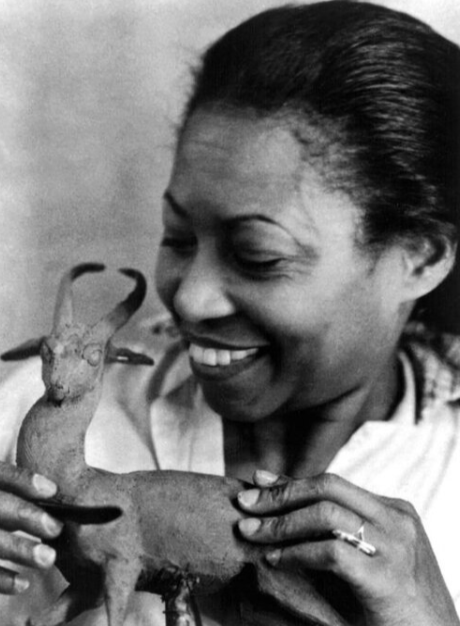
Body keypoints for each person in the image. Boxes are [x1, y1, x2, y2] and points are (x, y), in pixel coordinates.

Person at [0, 1, 459, 624]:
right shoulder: (28, 420)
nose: (190, 299)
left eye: (257, 256)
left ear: (421, 257)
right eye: (177, 237)